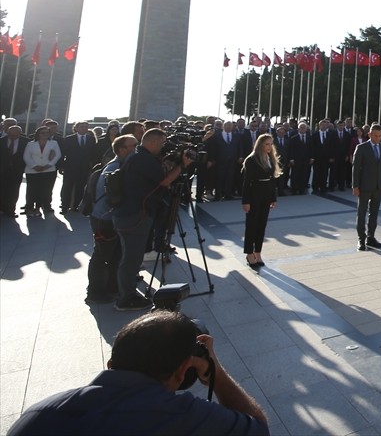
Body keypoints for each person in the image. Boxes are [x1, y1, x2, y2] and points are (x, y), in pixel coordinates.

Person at [9, 309, 269, 435]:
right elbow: (258, 429)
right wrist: (216, 372)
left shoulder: (36, 415)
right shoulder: (182, 417)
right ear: (183, 371)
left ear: (111, 363)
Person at [112, 129, 180, 311]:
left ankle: (127, 292)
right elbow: (164, 182)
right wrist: (183, 166)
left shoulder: (138, 157)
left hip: (131, 213)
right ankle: (126, 298)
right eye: (161, 143)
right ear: (151, 142)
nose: (162, 147)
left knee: (131, 256)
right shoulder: (143, 159)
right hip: (135, 214)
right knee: (131, 258)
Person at [82, 134, 138, 304]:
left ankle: (112, 287)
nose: (137, 149)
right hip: (105, 218)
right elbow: (116, 197)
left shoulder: (120, 165)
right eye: (133, 146)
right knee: (101, 255)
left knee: (116, 255)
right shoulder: (115, 168)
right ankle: (94, 292)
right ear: (122, 150)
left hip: (109, 217)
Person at [241, 134, 280, 269]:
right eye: (266, 144)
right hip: (254, 195)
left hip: (266, 195)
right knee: (252, 225)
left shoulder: (270, 158)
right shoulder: (251, 160)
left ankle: (258, 251)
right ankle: (249, 253)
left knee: (261, 225)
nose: (269, 147)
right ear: (260, 145)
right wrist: (245, 201)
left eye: (271, 144)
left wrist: (273, 198)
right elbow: (246, 183)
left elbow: (272, 180)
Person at [352, 125, 381, 251]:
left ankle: (371, 237)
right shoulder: (361, 148)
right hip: (364, 186)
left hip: (378, 186)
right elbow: (355, 168)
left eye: (379, 136)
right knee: (361, 213)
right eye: (375, 135)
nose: (377, 138)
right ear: (369, 134)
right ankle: (361, 239)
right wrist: (355, 186)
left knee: (374, 213)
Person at [60, 121, 100, 214]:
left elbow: (93, 153)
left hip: (84, 167)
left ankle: (75, 206)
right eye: (82, 127)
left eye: (86, 127)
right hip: (70, 167)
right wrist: (61, 166)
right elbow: (63, 153)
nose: (84, 128)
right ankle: (64, 206)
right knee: (67, 187)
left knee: (80, 187)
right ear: (76, 128)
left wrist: (92, 164)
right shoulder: (69, 139)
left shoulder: (91, 139)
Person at [23, 126, 61, 218]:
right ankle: (29, 208)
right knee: (32, 190)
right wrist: (34, 166)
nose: (45, 134)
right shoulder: (31, 144)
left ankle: (38, 208)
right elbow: (26, 156)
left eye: (47, 133)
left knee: (43, 190)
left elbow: (58, 155)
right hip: (32, 170)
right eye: (42, 133)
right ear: (38, 134)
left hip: (48, 170)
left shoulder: (54, 143)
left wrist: (49, 165)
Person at [1, 122, 28, 218]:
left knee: (14, 191)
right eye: (11, 135)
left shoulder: (26, 142)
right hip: (2, 171)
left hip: (17, 171)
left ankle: (10, 210)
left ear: (20, 134)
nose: (13, 137)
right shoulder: (1, 141)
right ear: (8, 133)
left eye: (16, 135)